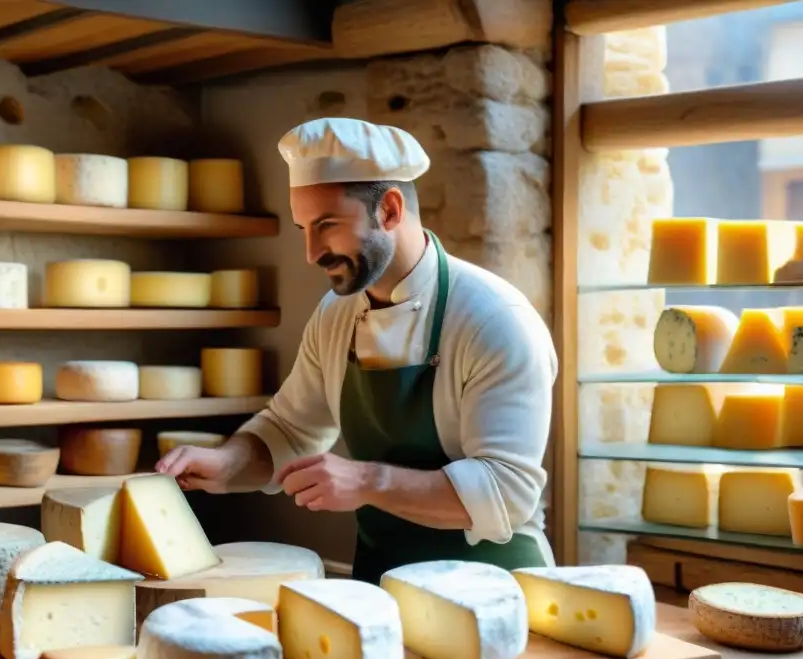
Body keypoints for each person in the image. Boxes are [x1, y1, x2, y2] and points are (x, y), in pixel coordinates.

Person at [156, 117, 558, 584]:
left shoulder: (494, 319)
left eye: (326, 225)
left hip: (493, 592)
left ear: (389, 210)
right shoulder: (335, 315)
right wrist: (226, 464)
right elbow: (289, 429)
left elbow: (506, 491)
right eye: (303, 227)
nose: (310, 252)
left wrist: (368, 482)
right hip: (381, 588)